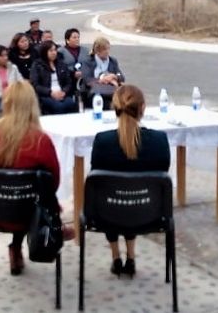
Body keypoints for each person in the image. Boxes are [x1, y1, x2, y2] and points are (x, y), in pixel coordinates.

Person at [0, 81, 63, 276]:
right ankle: (36, 239)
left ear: (6, 102)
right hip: (29, 214)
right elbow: (54, 183)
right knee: (32, 196)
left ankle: (15, 248)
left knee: (15, 194)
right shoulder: (40, 140)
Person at [90, 85, 170, 277]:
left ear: (114, 108)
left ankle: (116, 256)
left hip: (107, 213)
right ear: (143, 108)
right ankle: (131, 257)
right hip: (148, 212)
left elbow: (99, 184)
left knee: (112, 195)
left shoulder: (102, 142)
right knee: (133, 193)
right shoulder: (159, 141)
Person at [30, 40, 77, 114]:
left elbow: (68, 82)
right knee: (59, 106)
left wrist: (64, 92)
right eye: (51, 51)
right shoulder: (37, 65)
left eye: (55, 50)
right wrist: (50, 93)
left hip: (62, 93)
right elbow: (35, 85)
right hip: (46, 95)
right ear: (44, 52)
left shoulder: (61, 64)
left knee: (72, 103)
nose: (54, 53)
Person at [81, 37, 124, 109]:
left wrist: (114, 76)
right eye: (104, 50)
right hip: (94, 92)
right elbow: (87, 80)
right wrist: (103, 80)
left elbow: (121, 77)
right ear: (97, 51)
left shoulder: (112, 61)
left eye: (108, 49)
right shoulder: (87, 61)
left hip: (111, 90)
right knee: (107, 103)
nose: (107, 51)